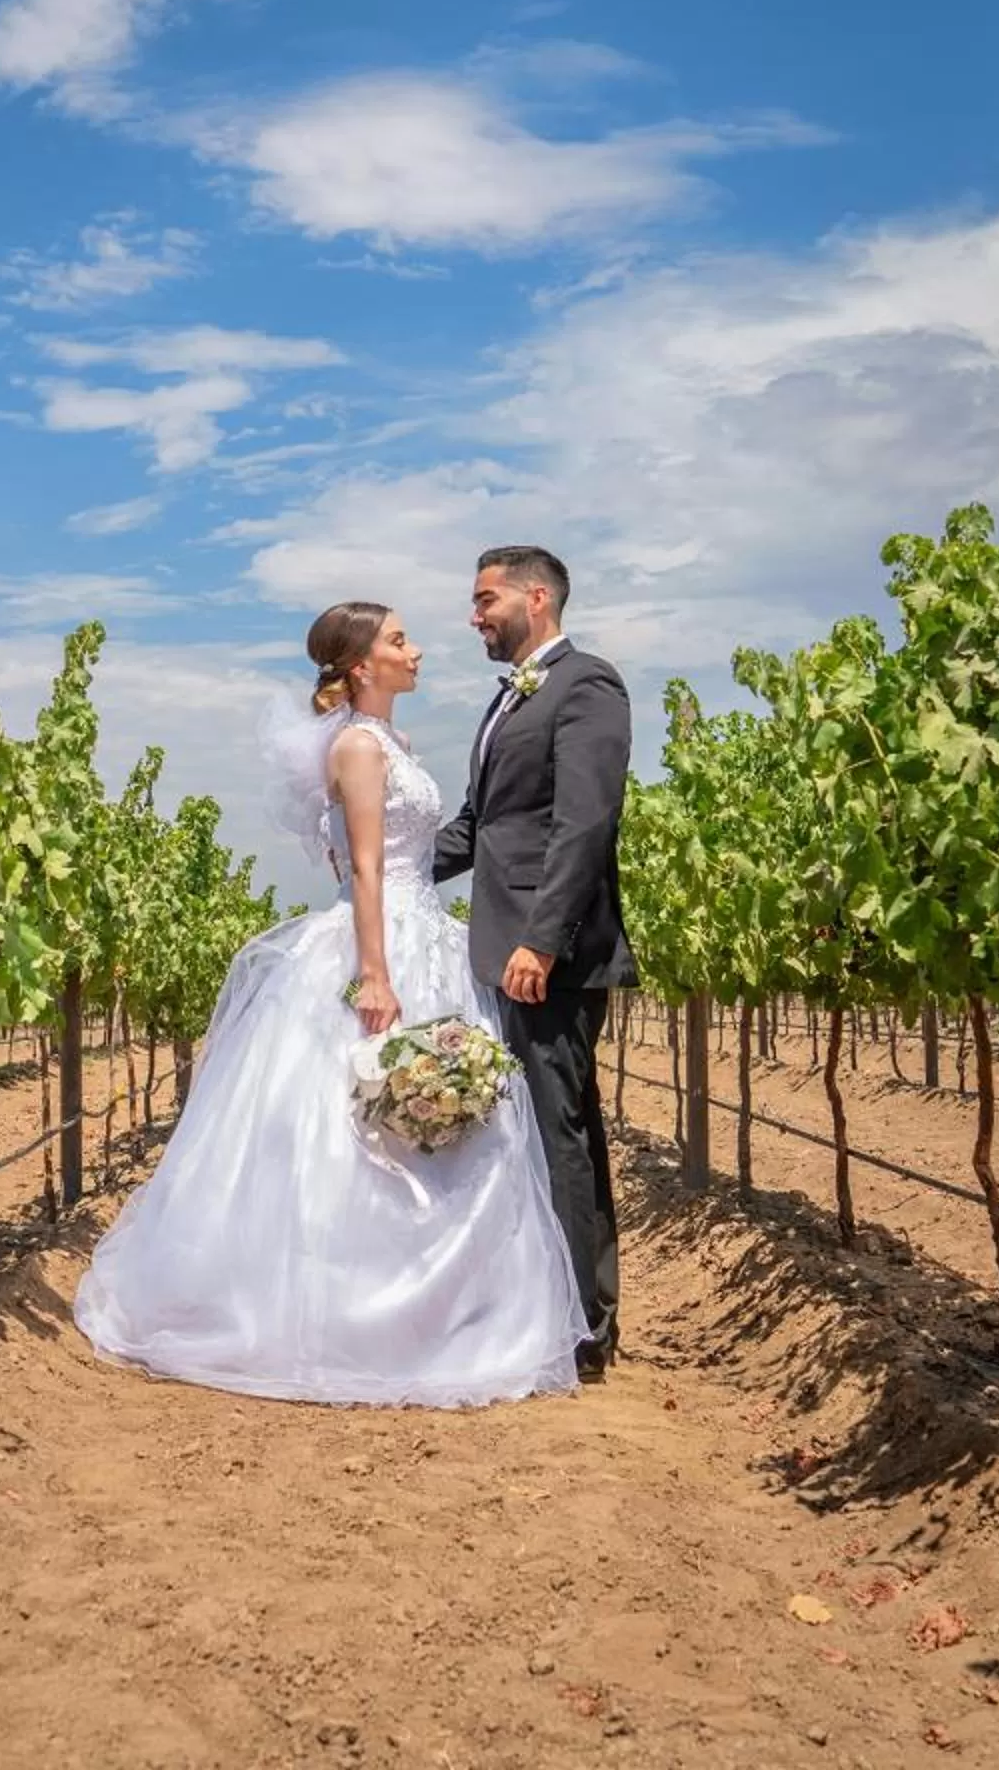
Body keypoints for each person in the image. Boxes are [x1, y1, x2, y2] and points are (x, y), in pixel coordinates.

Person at [71, 601, 589, 1407]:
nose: (414, 650)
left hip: (428, 934)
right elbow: (367, 870)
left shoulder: (393, 742)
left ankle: (446, 1315)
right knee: (358, 1123)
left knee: (443, 1123)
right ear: (360, 667)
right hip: (380, 940)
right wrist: (375, 975)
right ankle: (342, 1316)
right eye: (398, 640)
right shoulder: (355, 746)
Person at [434, 546, 634, 1378]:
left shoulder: (586, 684)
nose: (474, 614)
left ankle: (582, 1328)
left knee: (558, 1133)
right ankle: (543, 1308)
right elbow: (483, 826)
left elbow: (585, 824)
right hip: (505, 946)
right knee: (527, 1131)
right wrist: (377, 860)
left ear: (537, 598)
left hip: (547, 954)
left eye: (485, 598)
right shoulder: (506, 700)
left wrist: (542, 940)